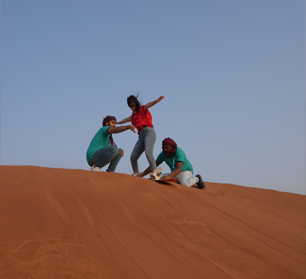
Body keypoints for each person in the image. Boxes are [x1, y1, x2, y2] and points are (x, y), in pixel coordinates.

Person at [117, 94, 164, 176]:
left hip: (149, 132)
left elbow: (149, 104)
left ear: (136, 102)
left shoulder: (142, 109)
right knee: (133, 157)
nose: (131, 105)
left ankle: (155, 171)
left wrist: (156, 101)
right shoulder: (133, 116)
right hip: (141, 136)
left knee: (148, 152)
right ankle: (137, 173)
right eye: (129, 104)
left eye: (133, 102)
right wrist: (117, 123)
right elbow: (124, 120)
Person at [140, 137, 205, 189]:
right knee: (156, 178)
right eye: (164, 148)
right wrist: (142, 175)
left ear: (172, 147)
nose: (165, 150)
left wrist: (168, 177)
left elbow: (179, 169)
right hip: (174, 173)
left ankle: (197, 179)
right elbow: (154, 165)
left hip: (185, 172)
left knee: (186, 184)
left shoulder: (179, 152)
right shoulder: (163, 154)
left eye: (167, 148)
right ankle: (178, 180)